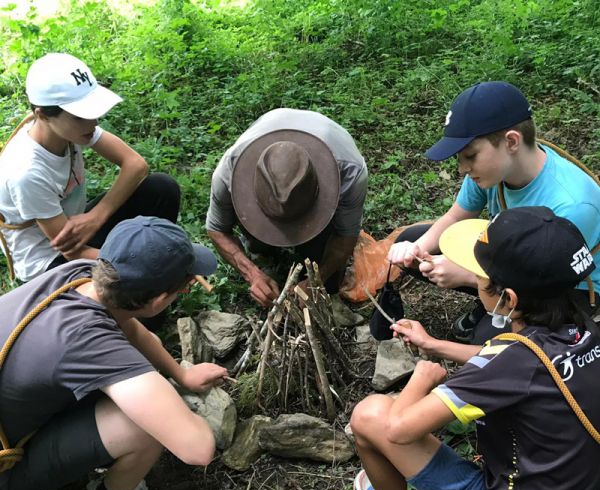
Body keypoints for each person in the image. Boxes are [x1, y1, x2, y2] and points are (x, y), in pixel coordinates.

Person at [352, 206, 600, 490]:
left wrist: (422, 377)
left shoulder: (509, 363)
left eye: (479, 276)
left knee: (369, 416)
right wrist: (436, 344)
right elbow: (519, 366)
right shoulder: (582, 330)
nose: (472, 277)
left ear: (508, 299)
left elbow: (399, 429)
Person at [0, 216, 229, 490]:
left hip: (16, 412)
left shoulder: (80, 275)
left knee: (148, 378)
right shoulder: (86, 340)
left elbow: (132, 329)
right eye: (185, 286)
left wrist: (182, 374)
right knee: (145, 426)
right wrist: (174, 403)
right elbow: (198, 449)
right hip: (8, 468)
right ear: (159, 301)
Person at [387, 81, 600, 344]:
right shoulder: (494, 172)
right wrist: (414, 248)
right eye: (459, 158)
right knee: (417, 241)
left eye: (470, 156)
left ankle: (495, 310)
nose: (463, 168)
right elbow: (455, 216)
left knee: (491, 345)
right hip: (512, 261)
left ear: (511, 141)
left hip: (564, 289)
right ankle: (492, 305)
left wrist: (466, 276)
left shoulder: (571, 204)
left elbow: (542, 285)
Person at [0, 52, 181, 282]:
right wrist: (146, 265)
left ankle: (152, 276)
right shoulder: (25, 172)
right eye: (80, 116)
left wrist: (97, 216)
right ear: (42, 114)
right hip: (50, 261)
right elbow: (73, 252)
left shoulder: (68, 129)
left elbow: (136, 165)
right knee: (129, 281)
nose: (93, 122)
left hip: (79, 229)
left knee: (160, 189)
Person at [206, 108, 367, 307]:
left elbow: (346, 236)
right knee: (259, 244)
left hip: (331, 149)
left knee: (327, 267)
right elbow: (216, 229)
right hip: (272, 123)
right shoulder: (229, 170)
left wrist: (316, 280)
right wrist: (252, 274)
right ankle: (261, 247)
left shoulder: (349, 171)